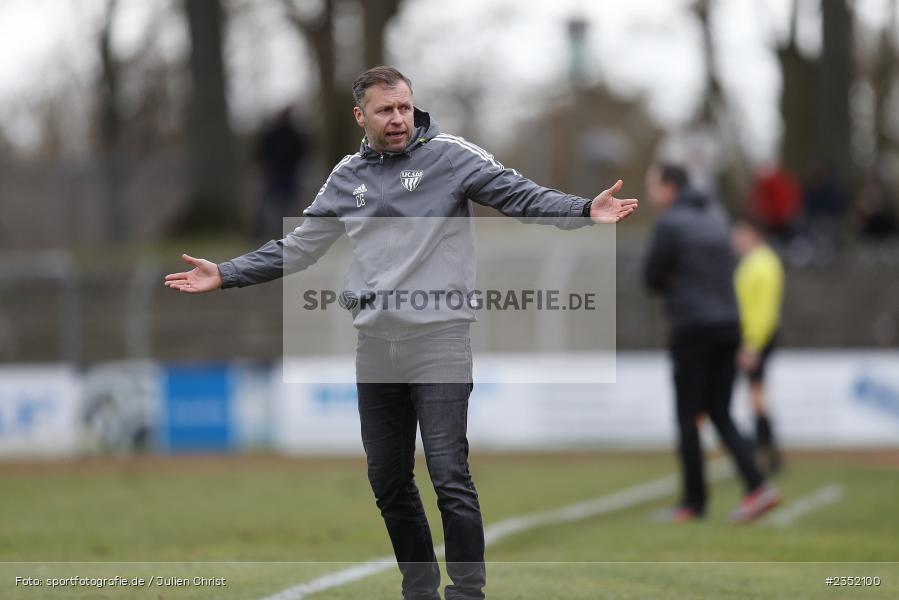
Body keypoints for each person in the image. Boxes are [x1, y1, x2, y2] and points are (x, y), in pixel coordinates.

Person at [164, 66, 637, 600]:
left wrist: (581, 210)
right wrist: (226, 272)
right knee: (388, 481)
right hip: (376, 346)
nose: (398, 119)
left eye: (405, 107)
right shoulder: (346, 177)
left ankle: (467, 592)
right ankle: (419, 590)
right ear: (360, 115)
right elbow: (298, 247)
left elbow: (518, 195)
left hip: (440, 338)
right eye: (386, 110)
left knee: (447, 473)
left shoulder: (452, 157)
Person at [643, 163, 779, 523]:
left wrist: (673, 279)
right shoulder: (718, 217)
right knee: (719, 411)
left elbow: (650, 276)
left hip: (692, 328)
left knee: (689, 417)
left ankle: (693, 502)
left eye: (653, 186)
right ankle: (757, 485)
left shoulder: (671, 223)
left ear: (670, 188)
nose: (650, 195)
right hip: (728, 326)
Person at [732, 215, 785, 475]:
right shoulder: (757, 261)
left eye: (740, 233)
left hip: (758, 337)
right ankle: (766, 451)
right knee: (755, 395)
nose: (735, 239)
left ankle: (768, 453)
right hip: (757, 335)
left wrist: (752, 343)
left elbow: (762, 309)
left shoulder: (761, 263)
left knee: (757, 396)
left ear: (753, 234)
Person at [254, 106, 308, 238]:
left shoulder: (274, 133)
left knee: (276, 202)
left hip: (278, 173)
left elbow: (262, 152)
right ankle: (284, 230)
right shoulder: (293, 133)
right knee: (284, 202)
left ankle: (275, 230)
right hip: (283, 173)